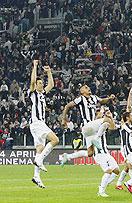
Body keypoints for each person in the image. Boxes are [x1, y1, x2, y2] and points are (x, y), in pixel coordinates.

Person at [60, 85, 115, 165]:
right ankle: (96, 139)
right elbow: (67, 106)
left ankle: (68, 156)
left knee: (90, 153)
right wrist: (63, 119)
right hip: (87, 125)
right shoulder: (81, 98)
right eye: (85, 88)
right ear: (82, 92)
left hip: (90, 129)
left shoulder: (94, 97)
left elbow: (102, 101)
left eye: (88, 87)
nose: (88, 88)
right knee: (107, 119)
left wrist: (109, 98)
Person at [29, 60, 59, 188]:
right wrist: (35, 66)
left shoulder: (42, 94)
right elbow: (32, 82)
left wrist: (49, 72)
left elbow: (51, 84)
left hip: (36, 125)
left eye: (42, 83)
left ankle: (36, 177)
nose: (42, 84)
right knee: (55, 140)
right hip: (37, 123)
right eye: (40, 83)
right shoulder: (33, 93)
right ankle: (40, 160)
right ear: (36, 85)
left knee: (40, 149)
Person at [86, 107, 120, 197]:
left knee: (116, 171)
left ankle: (103, 184)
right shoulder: (90, 131)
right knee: (108, 171)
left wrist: (111, 117)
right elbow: (89, 152)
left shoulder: (102, 127)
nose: (101, 116)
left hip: (106, 153)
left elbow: (113, 128)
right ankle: (101, 191)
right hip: (99, 154)